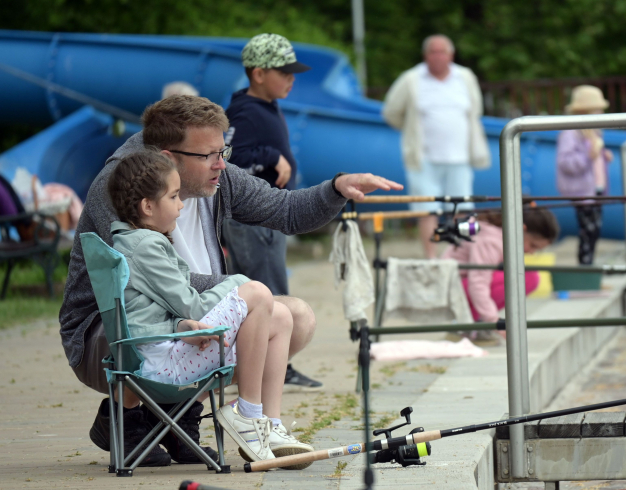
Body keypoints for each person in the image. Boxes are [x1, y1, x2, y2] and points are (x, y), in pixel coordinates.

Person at [59, 94, 401, 466]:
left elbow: (285, 210)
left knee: (294, 318)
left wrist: (335, 188)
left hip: (184, 320)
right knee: (257, 302)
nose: (222, 164)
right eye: (210, 155)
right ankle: (127, 417)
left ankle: (182, 416)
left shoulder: (214, 177)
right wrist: (239, 290)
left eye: (224, 151)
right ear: (168, 157)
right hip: (110, 332)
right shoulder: (123, 185)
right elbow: (146, 284)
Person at [106, 150, 311, 464]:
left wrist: (181, 327)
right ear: (147, 206)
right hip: (164, 366)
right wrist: (238, 285)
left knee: (280, 317)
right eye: (174, 197)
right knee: (255, 292)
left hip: (166, 351)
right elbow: (192, 306)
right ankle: (248, 413)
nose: (181, 205)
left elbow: (151, 313)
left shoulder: (138, 241)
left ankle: (269, 424)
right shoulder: (145, 246)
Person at [222, 33, 320, 390]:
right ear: (259, 73)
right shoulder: (245, 111)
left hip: (267, 219)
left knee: (271, 286)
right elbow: (228, 159)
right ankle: (274, 365)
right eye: (284, 71)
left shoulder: (265, 105)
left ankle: (272, 361)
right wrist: (268, 156)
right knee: (269, 291)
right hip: (255, 220)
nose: (292, 78)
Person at [382, 34, 491, 259]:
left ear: (451, 55)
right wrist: (411, 129)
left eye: (442, 52)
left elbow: (476, 110)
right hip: (424, 158)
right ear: (425, 55)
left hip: (460, 157)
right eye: (433, 52)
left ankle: (460, 255)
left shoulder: (465, 77)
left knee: (462, 208)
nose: (438, 57)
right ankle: (431, 257)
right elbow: (391, 112)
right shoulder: (411, 79)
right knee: (426, 210)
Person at [442, 207, 559, 334]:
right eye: (533, 245)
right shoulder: (492, 242)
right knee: (525, 278)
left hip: (458, 284)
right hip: (450, 289)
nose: (531, 252)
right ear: (521, 229)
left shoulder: (499, 235)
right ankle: (466, 325)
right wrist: (494, 322)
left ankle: (474, 323)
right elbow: (478, 283)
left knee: (528, 276)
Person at [556, 85, 613, 265]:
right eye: (597, 110)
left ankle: (588, 265)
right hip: (581, 191)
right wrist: (589, 157)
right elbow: (566, 162)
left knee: (595, 230)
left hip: (595, 189)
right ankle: (585, 265)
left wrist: (603, 155)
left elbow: (594, 156)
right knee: (588, 230)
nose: (600, 114)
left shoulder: (593, 132)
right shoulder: (571, 133)